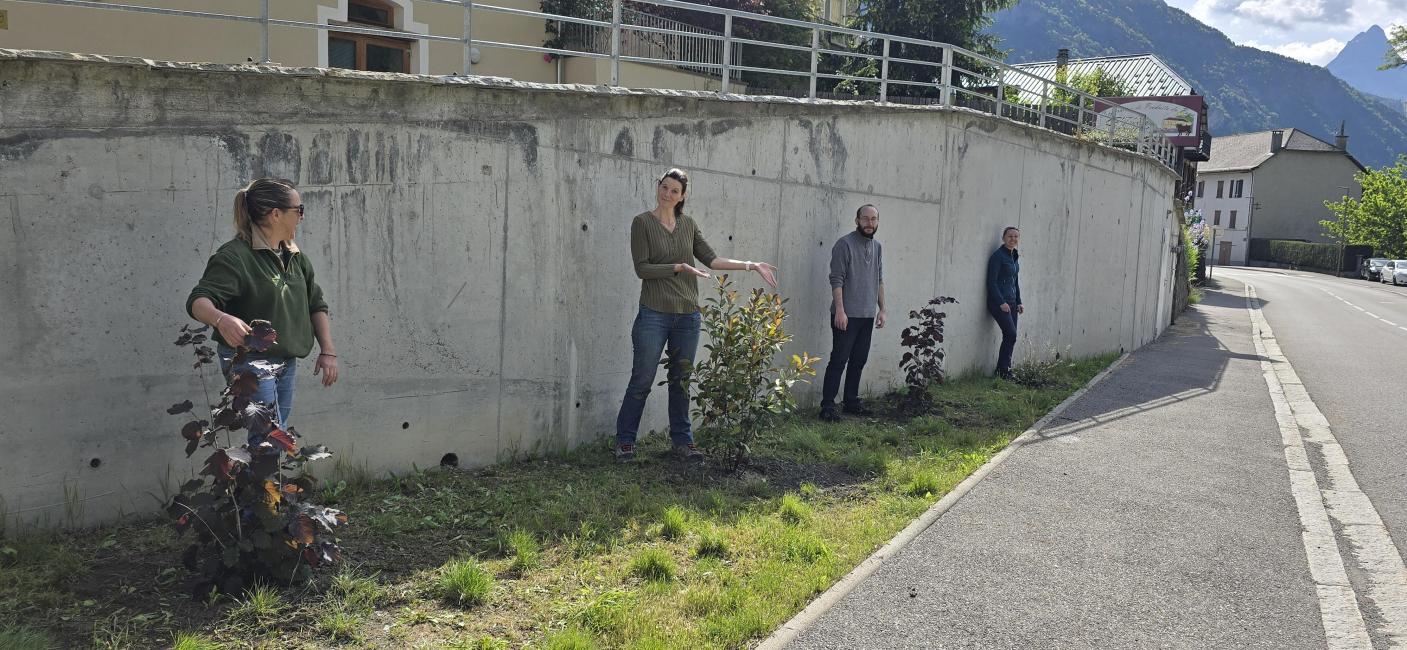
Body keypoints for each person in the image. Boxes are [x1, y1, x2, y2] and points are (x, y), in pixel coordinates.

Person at [614, 168, 779, 463]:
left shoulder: (688, 224)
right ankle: (625, 441)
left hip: (688, 316)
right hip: (654, 314)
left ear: (682, 196)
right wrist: (678, 267)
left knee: (681, 381)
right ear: (658, 187)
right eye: (664, 187)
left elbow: (712, 260)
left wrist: (751, 264)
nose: (667, 194)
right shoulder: (642, 223)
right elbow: (642, 269)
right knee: (642, 379)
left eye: (674, 191)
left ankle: (683, 442)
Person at [186, 178, 339, 432]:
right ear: (276, 214)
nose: (302, 216)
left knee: (276, 432)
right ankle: (264, 472)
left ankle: (269, 473)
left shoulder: (294, 256)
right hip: (250, 361)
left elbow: (316, 303)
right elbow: (198, 301)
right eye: (298, 210)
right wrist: (221, 319)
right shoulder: (235, 256)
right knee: (268, 436)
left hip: (286, 359)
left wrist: (328, 351)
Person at [819, 204, 885, 422]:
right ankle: (827, 406)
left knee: (859, 360)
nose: (869, 223)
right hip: (846, 315)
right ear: (857, 220)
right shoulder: (844, 244)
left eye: (873, 219)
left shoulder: (877, 247)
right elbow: (836, 279)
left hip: (867, 315)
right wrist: (840, 310)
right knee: (839, 360)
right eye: (865, 219)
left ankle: (851, 402)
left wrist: (882, 308)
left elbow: (879, 280)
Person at [986, 226, 1023, 380]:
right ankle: (1003, 370)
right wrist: (1001, 302)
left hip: (1012, 303)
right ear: (1003, 238)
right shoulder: (998, 256)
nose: (1013, 239)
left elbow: (1015, 281)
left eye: (1016, 237)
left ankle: (1004, 370)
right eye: (1010, 236)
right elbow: (991, 282)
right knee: (1011, 334)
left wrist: (1019, 302)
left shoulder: (1014, 255)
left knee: (1011, 337)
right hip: (999, 303)